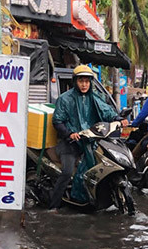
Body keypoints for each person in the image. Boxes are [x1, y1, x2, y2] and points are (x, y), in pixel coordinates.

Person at [50, 65, 128, 209]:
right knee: (67, 172)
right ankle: (53, 206)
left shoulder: (95, 97)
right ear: (75, 82)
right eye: (81, 81)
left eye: (87, 81)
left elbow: (107, 111)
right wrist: (69, 134)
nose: (84, 84)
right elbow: (57, 121)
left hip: (90, 141)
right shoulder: (65, 99)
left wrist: (118, 119)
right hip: (70, 143)